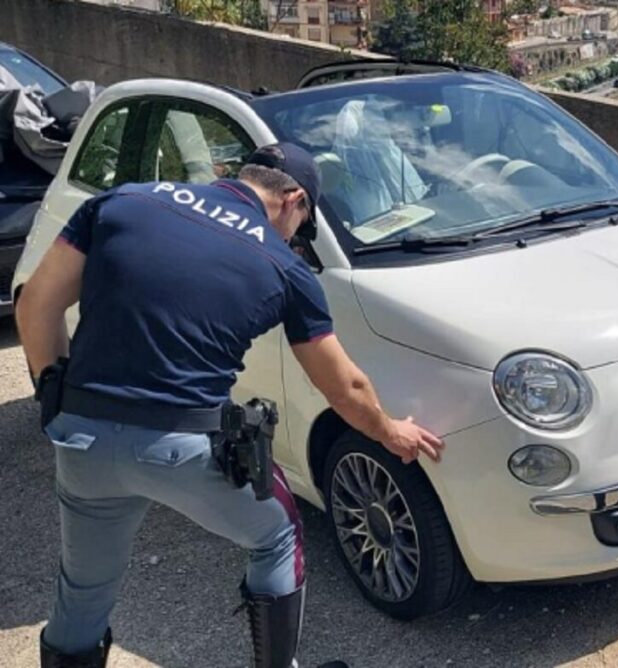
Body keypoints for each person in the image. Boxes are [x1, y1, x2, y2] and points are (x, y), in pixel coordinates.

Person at [16, 142, 445, 668]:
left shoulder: (123, 201)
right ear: (293, 200)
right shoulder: (283, 265)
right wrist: (390, 432)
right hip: (182, 446)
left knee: (83, 586)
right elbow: (345, 388)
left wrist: (55, 396)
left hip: (83, 440)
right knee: (277, 535)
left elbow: (35, 303)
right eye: (302, 228)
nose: (296, 240)